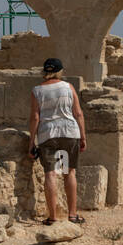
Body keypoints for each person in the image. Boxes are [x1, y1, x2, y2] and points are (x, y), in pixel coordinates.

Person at [28, 57, 87, 225]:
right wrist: (83, 136)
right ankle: (73, 215)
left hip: (48, 135)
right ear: (60, 71)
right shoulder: (68, 87)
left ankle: (52, 217)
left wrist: (31, 141)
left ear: (44, 71)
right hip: (69, 133)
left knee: (51, 173)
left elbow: (35, 117)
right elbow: (78, 113)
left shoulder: (37, 90)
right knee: (69, 171)